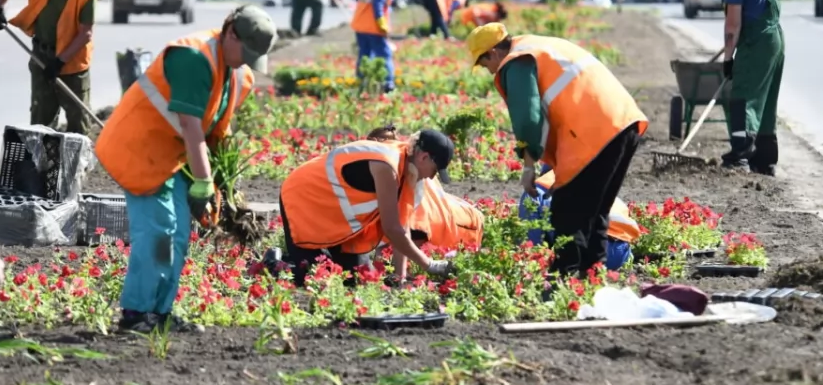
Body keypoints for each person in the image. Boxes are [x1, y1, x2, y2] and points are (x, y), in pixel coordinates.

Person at [94, 5, 278, 333]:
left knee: (178, 234)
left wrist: (224, 186)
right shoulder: (193, 58)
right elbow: (191, 125)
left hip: (173, 154)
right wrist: (203, 181)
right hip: (141, 149)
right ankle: (136, 314)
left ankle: (160, 314)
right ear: (231, 33)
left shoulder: (236, 71)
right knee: (157, 231)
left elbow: (218, 130)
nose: (246, 61)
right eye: (246, 51)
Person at [466, 23, 648, 278]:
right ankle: (589, 279)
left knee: (564, 215)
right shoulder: (538, 45)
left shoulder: (515, 61)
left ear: (494, 53)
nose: (489, 71)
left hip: (595, 132)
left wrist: (528, 167)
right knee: (594, 215)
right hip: (622, 124)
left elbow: (528, 118)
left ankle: (563, 281)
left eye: (486, 65)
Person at [278, 129, 456, 287]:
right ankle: (276, 263)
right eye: (435, 170)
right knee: (312, 276)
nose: (432, 177)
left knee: (359, 279)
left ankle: (295, 258)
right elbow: (392, 228)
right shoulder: (388, 166)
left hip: (334, 216)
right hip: (304, 198)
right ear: (424, 157)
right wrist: (429, 264)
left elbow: (402, 225)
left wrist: (399, 278)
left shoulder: (408, 169)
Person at [366, 126, 484, 280]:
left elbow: (404, 237)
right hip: (453, 213)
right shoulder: (403, 167)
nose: (431, 176)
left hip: (466, 227)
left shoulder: (412, 178)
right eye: (434, 171)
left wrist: (401, 274)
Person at [519, 166, 640, 271]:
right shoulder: (587, 174)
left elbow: (533, 242)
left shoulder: (540, 186)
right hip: (621, 250)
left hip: (590, 251)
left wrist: (533, 258)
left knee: (530, 201)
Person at [1, 0, 94, 135]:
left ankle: (78, 155)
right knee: (41, 118)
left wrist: (60, 61)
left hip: (72, 64)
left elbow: (86, 33)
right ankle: (41, 154)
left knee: (79, 120)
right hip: (41, 57)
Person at [720, 0, 784, 175]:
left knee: (743, 98)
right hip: (774, 40)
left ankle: (740, 155)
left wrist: (727, 59)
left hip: (755, 43)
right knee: (765, 102)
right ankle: (765, 159)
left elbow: (733, 25)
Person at [351, 0, 396, 92]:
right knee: (384, 55)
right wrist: (383, 27)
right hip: (374, 28)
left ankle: (361, 79)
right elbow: (377, 7)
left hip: (360, 25)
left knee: (364, 54)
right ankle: (388, 82)